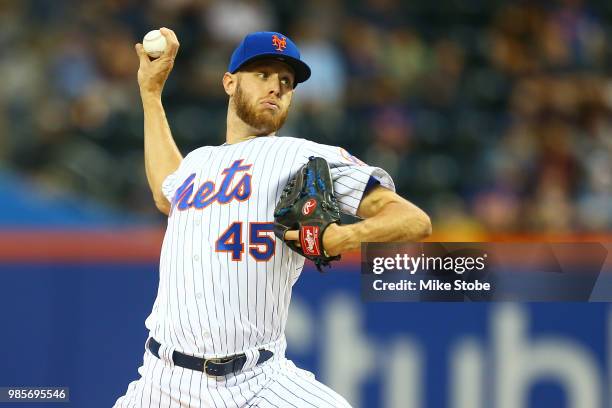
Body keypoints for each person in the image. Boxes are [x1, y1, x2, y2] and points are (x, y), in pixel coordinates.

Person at [114, 28, 431, 408]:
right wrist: (150, 94)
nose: (276, 87)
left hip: (258, 381)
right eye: (262, 74)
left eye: (286, 81)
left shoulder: (305, 156)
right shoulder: (198, 161)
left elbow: (413, 220)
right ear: (229, 83)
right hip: (160, 381)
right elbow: (166, 193)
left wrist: (341, 237)